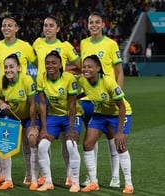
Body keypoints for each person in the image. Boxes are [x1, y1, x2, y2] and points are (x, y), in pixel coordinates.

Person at [0, 16, 37, 185]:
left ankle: (31, 175)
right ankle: (2, 176)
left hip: (22, 97)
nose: (6, 28)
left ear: (17, 28)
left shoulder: (25, 47)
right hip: (4, 97)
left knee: (28, 141)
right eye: (4, 25)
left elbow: (39, 64)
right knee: (3, 140)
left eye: (10, 25)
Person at [32, 14, 81, 187]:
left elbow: (80, 65)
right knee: (43, 137)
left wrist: (66, 73)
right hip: (43, 92)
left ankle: (70, 175)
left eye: (51, 25)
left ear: (58, 28)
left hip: (63, 95)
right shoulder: (37, 43)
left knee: (67, 140)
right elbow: (31, 62)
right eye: (45, 25)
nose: (47, 28)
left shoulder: (65, 46)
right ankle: (45, 176)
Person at [80, 11, 124, 187]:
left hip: (108, 97)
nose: (94, 25)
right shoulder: (84, 43)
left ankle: (115, 176)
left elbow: (119, 71)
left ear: (103, 25)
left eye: (97, 22)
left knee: (112, 137)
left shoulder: (111, 44)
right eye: (91, 22)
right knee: (91, 137)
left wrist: (118, 92)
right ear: (88, 24)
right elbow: (84, 69)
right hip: (88, 98)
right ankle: (92, 176)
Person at [78, 55, 134, 194]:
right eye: (84, 66)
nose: (86, 69)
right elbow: (87, 91)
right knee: (87, 144)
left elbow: (121, 106)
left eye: (90, 66)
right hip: (101, 114)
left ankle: (128, 184)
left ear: (98, 68)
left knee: (120, 146)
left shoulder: (108, 82)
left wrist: (120, 132)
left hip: (120, 114)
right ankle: (93, 182)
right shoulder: (83, 81)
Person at [36, 50, 83, 192]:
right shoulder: (41, 78)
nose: (50, 66)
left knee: (71, 144)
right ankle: (48, 181)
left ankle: (75, 181)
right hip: (54, 116)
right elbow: (43, 104)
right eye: (47, 63)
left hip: (72, 115)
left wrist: (70, 128)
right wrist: (44, 128)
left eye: (54, 63)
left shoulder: (69, 79)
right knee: (42, 146)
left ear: (60, 65)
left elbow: (73, 105)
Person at [0, 53, 39, 190]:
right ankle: (8, 180)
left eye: (11, 67)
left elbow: (33, 104)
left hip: (27, 117)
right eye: (6, 67)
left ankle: (33, 177)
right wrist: (2, 103)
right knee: (4, 144)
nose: (8, 70)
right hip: (12, 117)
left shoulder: (27, 80)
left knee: (31, 141)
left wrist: (32, 126)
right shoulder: (2, 81)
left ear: (19, 68)